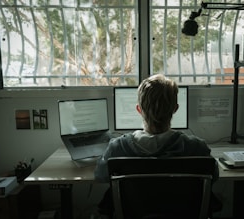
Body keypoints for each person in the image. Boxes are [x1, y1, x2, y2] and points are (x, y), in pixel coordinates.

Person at [94, 74, 220, 218]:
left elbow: (100, 175)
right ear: (175, 109)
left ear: (139, 109)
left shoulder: (117, 148)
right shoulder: (197, 148)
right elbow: (214, 176)